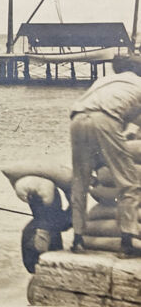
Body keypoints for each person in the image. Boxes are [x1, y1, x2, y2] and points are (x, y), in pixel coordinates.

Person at [70, 55, 141, 257]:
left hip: (77, 117)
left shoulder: (107, 81)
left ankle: (77, 239)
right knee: (129, 182)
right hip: (106, 119)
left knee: (80, 181)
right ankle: (127, 242)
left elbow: (122, 112)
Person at [21, 188, 72, 273]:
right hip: (44, 268)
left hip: (33, 266)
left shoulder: (30, 226)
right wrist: (70, 194)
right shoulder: (52, 221)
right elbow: (70, 219)